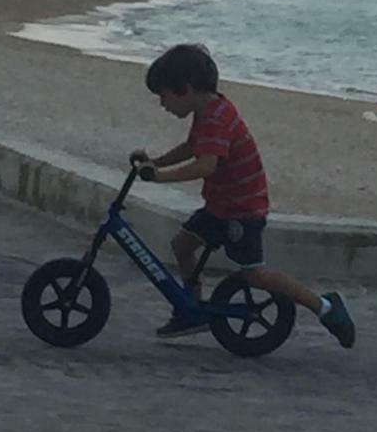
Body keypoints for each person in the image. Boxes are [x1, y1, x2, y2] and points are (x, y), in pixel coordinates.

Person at [131, 43, 356, 347]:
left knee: (255, 275)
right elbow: (192, 147)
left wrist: (159, 177)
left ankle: (326, 306)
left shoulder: (215, 117)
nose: (163, 105)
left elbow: (205, 163)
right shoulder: (208, 108)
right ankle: (190, 309)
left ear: (185, 89)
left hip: (242, 211)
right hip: (221, 205)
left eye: (164, 96)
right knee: (182, 245)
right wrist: (155, 162)